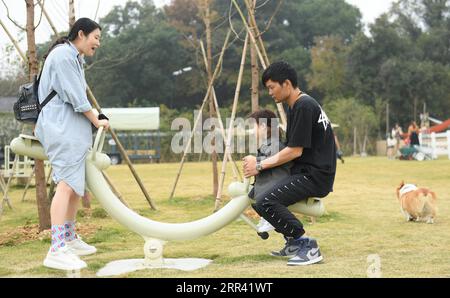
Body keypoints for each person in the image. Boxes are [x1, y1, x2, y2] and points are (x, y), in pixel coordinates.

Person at [243, 61, 336, 266]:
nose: (270, 93)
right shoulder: (297, 105)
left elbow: (295, 151)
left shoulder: (303, 106)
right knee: (256, 197)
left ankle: (307, 246)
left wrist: (259, 165)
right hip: (307, 171)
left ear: (286, 84)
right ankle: (293, 242)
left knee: (265, 201)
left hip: (314, 175)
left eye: (271, 87)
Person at [35, 18, 109, 271]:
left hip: (70, 129)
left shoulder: (74, 57)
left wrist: (95, 119)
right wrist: (97, 119)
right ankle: (56, 248)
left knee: (76, 188)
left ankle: (68, 238)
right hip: (60, 128)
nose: (98, 43)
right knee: (66, 185)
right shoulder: (64, 56)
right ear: (81, 33)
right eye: (96, 37)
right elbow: (77, 98)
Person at [246, 109, 292, 233]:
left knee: (260, 197)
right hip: (269, 180)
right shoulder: (268, 143)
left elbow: (271, 160)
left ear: (262, 127)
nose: (252, 130)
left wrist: (255, 161)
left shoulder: (275, 143)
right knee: (252, 198)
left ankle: (270, 217)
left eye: (253, 126)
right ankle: (266, 217)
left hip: (277, 181)